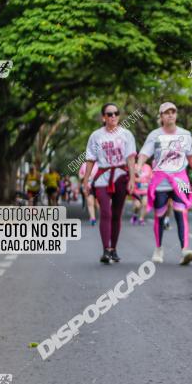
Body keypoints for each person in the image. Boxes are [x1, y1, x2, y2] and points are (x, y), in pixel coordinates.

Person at [135, 102, 192, 266]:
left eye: (173, 112)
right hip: (161, 182)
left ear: (176, 115)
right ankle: (158, 249)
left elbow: (191, 157)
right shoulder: (155, 135)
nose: (170, 115)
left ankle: (185, 250)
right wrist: (138, 165)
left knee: (181, 214)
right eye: (166, 112)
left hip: (180, 180)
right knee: (159, 216)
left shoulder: (185, 134)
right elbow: (144, 153)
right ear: (161, 116)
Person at [82, 103, 137, 264]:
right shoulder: (96, 136)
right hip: (102, 177)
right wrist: (86, 180)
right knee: (105, 212)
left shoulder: (126, 134)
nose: (113, 116)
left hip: (121, 176)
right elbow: (90, 159)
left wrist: (132, 179)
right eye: (109, 114)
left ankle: (114, 249)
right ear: (103, 117)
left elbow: (131, 159)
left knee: (117, 214)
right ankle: (106, 249)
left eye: (116, 113)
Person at [79, 161, 97, 226]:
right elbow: (80, 175)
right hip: (88, 185)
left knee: (96, 204)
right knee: (90, 202)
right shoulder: (84, 165)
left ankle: (94, 213)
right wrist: (84, 177)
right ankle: (93, 218)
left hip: (98, 185)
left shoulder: (99, 163)